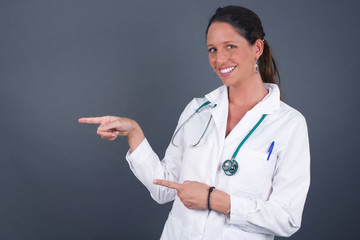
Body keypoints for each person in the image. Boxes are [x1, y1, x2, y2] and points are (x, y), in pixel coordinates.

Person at [78, 6, 310, 240]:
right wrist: (134, 133)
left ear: (257, 48)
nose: (219, 59)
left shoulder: (289, 124)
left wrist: (215, 200)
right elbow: (163, 189)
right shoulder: (197, 110)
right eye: (212, 49)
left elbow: (287, 218)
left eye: (230, 46)